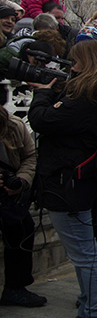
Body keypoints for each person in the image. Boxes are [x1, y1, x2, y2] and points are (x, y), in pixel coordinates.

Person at [28, 40, 97, 318]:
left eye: (75, 62)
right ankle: (93, 306)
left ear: (88, 64)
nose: (71, 67)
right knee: (87, 252)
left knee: (85, 255)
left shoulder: (89, 97)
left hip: (70, 184)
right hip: (81, 181)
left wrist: (43, 94)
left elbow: (43, 120)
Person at [0, 105, 47, 308]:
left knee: (22, 229)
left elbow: (30, 157)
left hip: (10, 196)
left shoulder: (14, 126)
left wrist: (21, 180)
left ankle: (15, 288)